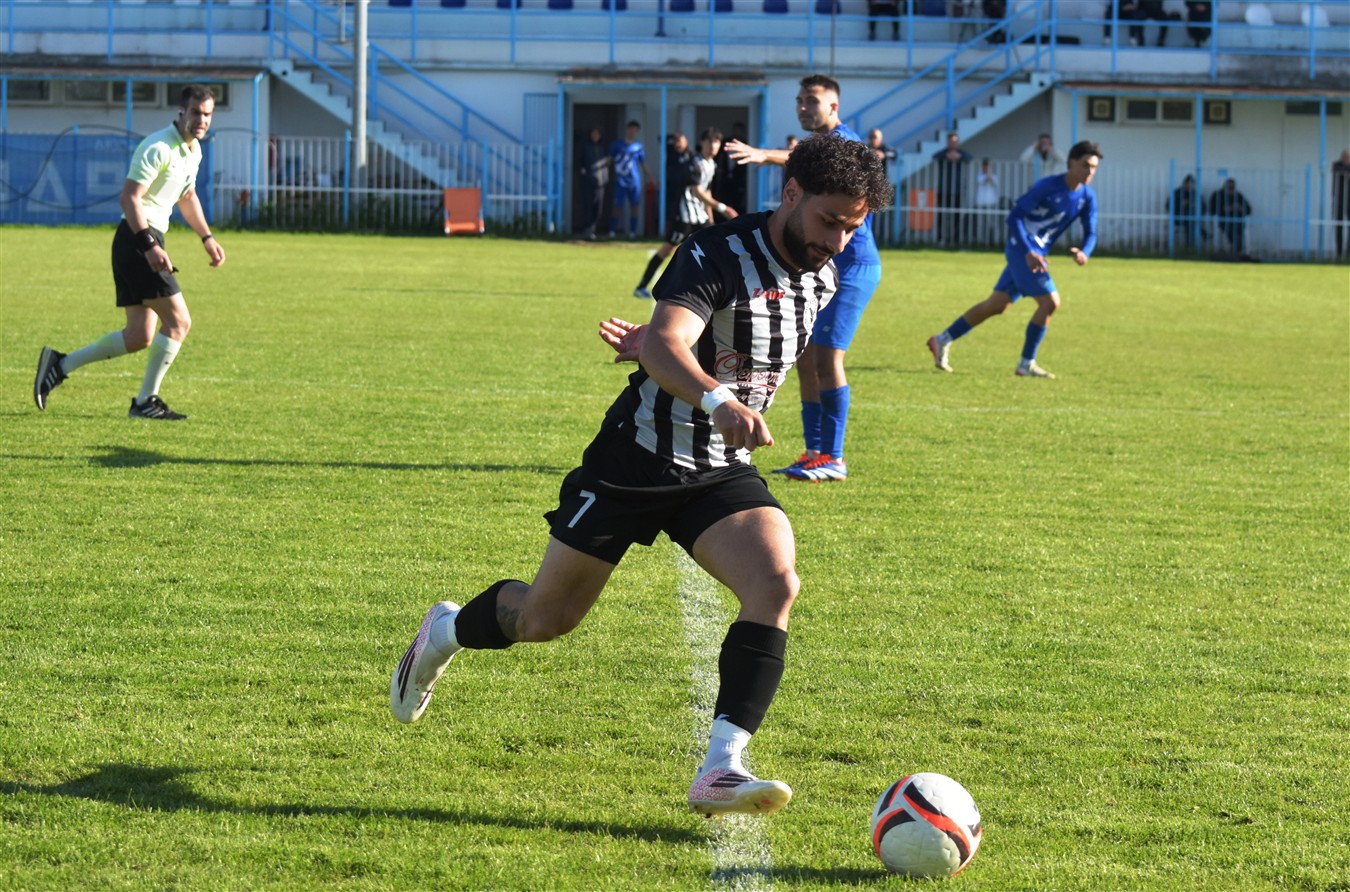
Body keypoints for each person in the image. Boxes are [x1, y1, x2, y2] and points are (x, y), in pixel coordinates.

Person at [389, 134, 893, 819]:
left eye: (852, 228)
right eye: (829, 221)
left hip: (718, 470)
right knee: (544, 619)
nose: (837, 241)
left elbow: (718, 346)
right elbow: (668, 338)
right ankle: (446, 631)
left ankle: (722, 767)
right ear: (792, 193)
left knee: (776, 582)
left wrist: (684, 362)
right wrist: (708, 390)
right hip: (636, 458)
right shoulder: (716, 251)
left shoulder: (823, 275)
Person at [723, 74, 885, 483]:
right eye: (799, 100)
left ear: (834, 106)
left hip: (853, 266)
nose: (803, 107)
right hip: (825, 265)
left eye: (812, 100)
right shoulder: (818, 144)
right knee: (807, 359)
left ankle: (835, 457)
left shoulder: (844, 142)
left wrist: (764, 154)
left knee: (828, 359)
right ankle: (815, 452)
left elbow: (817, 161)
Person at [33, 84, 225, 420]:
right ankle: (145, 401)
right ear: (182, 112)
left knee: (139, 336)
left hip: (142, 241)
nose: (202, 120)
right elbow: (129, 198)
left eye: (208, 114)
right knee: (179, 322)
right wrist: (149, 245)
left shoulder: (193, 150)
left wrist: (207, 237)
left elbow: (187, 196)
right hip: (138, 240)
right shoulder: (158, 146)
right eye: (196, 112)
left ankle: (60, 365)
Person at [926, 140, 1102, 379]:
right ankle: (1026, 363)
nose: (1090, 171)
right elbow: (1015, 217)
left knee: (996, 305)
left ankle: (942, 339)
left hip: (1036, 254)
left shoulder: (1087, 196)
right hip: (1023, 251)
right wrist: (1028, 251)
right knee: (1050, 302)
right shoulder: (1047, 186)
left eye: (1094, 167)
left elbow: (1091, 232)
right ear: (1071, 162)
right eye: (1085, 165)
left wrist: (1084, 252)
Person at [634, 128, 738, 299]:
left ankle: (715, 291)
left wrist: (710, 218)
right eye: (710, 141)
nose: (713, 146)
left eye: (717, 142)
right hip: (685, 217)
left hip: (701, 217)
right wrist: (722, 208)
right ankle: (642, 286)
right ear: (702, 142)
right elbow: (697, 191)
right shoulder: (694, 163)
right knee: (668, 249)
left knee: (716, 249)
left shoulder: (712, 164)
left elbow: (707, 191)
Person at [608, 120, 648, 239]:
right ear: (626, 130)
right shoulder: (617, 145)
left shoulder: (638, 147)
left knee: (634, 206)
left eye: (634, 130)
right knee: (617, 206)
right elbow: (609, 160)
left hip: (634, 181)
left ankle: (632, 232)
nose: (632, 132)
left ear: (637, 132)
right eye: (630, 129)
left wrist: (651, 177)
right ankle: (612, 230)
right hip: (620, 180)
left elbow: (643, 163)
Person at [931, 131, 972, 246]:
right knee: (941, 215)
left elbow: (969, 158)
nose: (954, 143)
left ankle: (955, 240)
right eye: (952, 141)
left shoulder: (961, 153)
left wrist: (959, 156)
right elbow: (935, 156)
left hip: (957, 190)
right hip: (944, 190)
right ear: (948, 142)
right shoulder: (943, 153)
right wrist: (946, 156)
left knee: (956, 216)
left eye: (955, 141)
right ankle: (940, 239)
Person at [578, 126, 610, 240]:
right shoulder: (585, 146)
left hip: (600, 182)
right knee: (588, 205)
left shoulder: (603, 148)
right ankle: (588, 230)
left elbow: (607, 162)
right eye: (593, 133)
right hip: (588, 181)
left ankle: (593, 228)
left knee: (598, 208)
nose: (595, 136)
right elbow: (580, 161)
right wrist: (583, 171)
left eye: (597, 134)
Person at [1210, 177, 1252, 259]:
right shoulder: (1218, 196)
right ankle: (1236, 253)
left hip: (1238, 222)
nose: (1230, 190)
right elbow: (1212, 210)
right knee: (1233, 232)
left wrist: (1240, 208)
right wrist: (1227, 209)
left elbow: (1248, 210)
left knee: (1238, 231)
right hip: (1224, 222)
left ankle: (1236, 253)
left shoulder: (1238, 196)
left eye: (1232, 187)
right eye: (1228, 187)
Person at [712, 122, 749, 215]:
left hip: (738, 179)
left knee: (737, 201)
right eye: (736, 130)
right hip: (724, 178)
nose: (737, 132)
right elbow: (719, 157)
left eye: (739, 131)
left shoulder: (745, 145)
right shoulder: (725, 143)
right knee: (723, 199)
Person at [663, 131, 694, 231]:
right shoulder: (672, 154)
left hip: (686, 191)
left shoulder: (691, 155)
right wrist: (674, 138)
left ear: (686, 141)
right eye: (676, 142)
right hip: (673, 189)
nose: (678, 144)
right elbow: (662, 139)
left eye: (680, 141)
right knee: (672, 214)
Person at [1169, 173, 1207, 250]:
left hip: (1193, 218)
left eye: (1191, 184)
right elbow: (1168, 205)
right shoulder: (1177, 193)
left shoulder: (1195, 194)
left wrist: (1194, 205)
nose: (1189, 186)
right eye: (1187, 183)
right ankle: (1201, 235)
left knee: (1191, 221)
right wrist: (1180, 205)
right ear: (1184, 183)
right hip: (1179, 217)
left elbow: (1203, 207)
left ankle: (1190, 245)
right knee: (1191, 221)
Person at [974, 157, 1001, 247]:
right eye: (984, 167)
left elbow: (993, 181)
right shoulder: (979, 176)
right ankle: (982, 241)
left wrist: (989, 175)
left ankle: (992, 241)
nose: (985, 168)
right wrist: (987, 177)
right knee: (982, 223)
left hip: (992, 203)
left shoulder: (994, 176)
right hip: (981, 203)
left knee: (992, 223)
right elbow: (983, 181)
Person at [1332, 149, 1350, 261]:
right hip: (1339, 199)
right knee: (1338, 226)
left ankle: (1348, 253)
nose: (1346, 159)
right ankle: (1339, 253)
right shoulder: (1337, 165)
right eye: (1344, 157)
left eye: (1348, 157)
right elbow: (1338, 171)